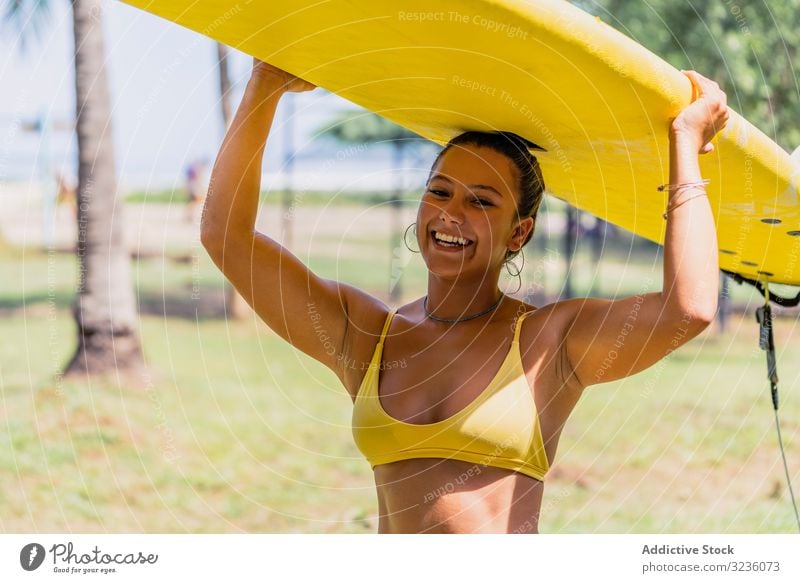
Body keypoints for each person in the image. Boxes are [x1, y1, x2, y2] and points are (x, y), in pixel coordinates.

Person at [200, 58, 728, 533]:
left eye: (481, 201)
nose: (451, 212)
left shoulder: (551, 343)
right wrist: (264, 85)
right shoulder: (365, 336)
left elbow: (689, 309)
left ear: (518, 234)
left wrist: (684, 141)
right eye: (440, 191)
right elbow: (225, 236)